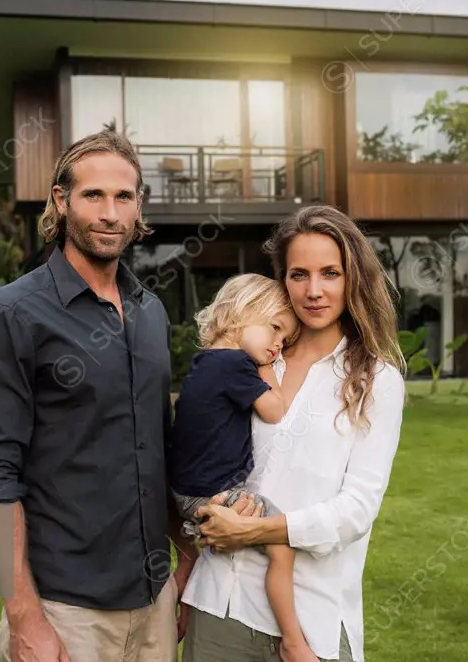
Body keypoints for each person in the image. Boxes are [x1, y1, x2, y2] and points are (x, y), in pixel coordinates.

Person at [0, 130, 196, 662]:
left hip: (154, 600)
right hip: (64, 612)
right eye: (93, 196)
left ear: (140, 207)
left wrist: (185, 558)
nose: (110, 213)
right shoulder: (12, 315)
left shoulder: (149, 312)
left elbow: (161, 449)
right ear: (61, 200)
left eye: (124, 197)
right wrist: (25, 620)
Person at [179, 204, 406, 662]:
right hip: (220, 603)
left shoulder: (377, 381)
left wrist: (256, 530)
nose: (315, 290)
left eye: (330, 273)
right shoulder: (253, 361)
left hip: (311, 619)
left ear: (353, 278)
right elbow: (194, 453)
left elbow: (356, 510)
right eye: (299, 274)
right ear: (282, 280)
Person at [167, 273, 318, 661]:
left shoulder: (204, 363)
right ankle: (292, 638)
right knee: (281, 543)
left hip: (184, 492)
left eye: (283, 342)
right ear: (239, 314)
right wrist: (269, 371)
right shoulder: (237, 365)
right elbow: (274, 410)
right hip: (212, 492)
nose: (276, 346)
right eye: (274, 330)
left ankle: (180, 600)